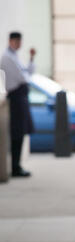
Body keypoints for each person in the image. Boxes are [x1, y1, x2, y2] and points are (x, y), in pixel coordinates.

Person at [0, 32, 36, 177]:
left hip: (20, 97)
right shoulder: (7, 57)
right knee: (16, 133)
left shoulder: (14, 56)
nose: (18, 44)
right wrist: (26, 75)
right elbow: (23, 77)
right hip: (15, 98)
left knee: (20, 133)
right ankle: (15, 167)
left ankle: (17, 165)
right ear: (10, 41)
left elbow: (29, 72)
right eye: (16, 41)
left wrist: (32, 58)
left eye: (19, 41)